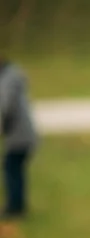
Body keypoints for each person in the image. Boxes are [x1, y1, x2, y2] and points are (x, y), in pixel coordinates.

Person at [0, 57, 38, 219]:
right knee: (14, 168)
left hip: (20, 136)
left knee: (11, 167)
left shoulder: (8, 80)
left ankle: (15, 207)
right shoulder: (12, 78)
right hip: (23, 135)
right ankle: (17, 205)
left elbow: (4, 107)